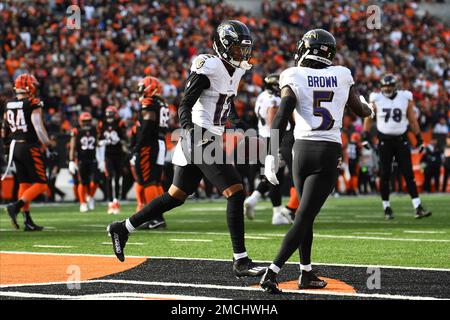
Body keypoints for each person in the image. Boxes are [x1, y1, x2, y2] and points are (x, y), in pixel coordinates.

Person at [107, 20, 265, 278]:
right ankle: (241, 260)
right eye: (237, 48)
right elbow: (184, 104)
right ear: (223, 46)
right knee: (236, 192)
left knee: (175, 196)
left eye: (244, 49)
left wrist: (239, 126)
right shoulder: (209, 65)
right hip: (199, 136)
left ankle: (123, 227)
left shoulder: (237, 70)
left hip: (208, 135)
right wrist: (191, 133)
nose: (242, 54)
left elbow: (228, 104)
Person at [259, 29, 375, 293]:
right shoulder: (342, 74)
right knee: (304, 217)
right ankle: (272, 271)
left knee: (304, 215)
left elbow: (281, 116)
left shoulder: (292, 74)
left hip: (300, 150)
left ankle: (306, 272)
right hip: (327, 150)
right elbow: (360, 110)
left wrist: (270, 153)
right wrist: (369, 107)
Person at [364, 74, 432, 219]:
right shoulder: (376, 98)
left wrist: (419, 138)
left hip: (402, 140)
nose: (387, 88)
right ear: (381, 87)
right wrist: (365, 135)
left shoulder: (405, 97)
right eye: (385, 86)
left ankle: (417, 206)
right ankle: (386, 207)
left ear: (395, 86)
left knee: (408, 174)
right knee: (385, 174)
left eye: (390, 85)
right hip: (384, 141)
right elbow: (369, 118)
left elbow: (412, 120)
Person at [3, 74, 56, 231]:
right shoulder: (32, 103)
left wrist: (6, 147)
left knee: (24, 183)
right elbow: (38, 127)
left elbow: (4, 127)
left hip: (15, 146)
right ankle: (16, 206)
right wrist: (49, 143)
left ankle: (27, 220)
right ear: (29, 87)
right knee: (41, 184)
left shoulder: (8, 103)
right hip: (28, 146)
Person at [244, 74, 292, 225]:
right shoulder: (274, 99)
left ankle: (254, 198)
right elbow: (273, 121)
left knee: (271, 174)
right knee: (275, 177)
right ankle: (277, 213)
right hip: (273, 138)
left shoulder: (261, 96)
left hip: (263, 137)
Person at [129, 76, 169, 228]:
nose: (139, 91)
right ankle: (158, 216)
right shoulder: (162, 103)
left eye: (142, 87)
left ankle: (155, 217)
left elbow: (147, 127)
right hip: (160, 142)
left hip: (150, 144)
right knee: (156, 181)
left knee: (149, 181)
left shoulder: (149, 102)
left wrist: (137, 146)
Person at [68, 112, 102, 213]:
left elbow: (98, 143)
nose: (86, 123)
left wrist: (101, 158)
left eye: (88, 121)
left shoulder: (94, 130)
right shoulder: (76, 131)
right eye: (84, 121)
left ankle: (90, 198)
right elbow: (72, 147)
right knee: (82, 182)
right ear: (80, 121)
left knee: (95, 181)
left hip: (93, 158)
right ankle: (82, 203)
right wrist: (71, 160)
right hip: (81, 159)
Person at [98, 106, 128, 214]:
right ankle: (110, 202)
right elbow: (98, 139)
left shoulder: (120, 123)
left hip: (119, 154)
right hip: (108, 154)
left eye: (111, 114)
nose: (109, 116)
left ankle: (116, 201)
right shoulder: (102, 124)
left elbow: (125, 139)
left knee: (117, 177)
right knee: (109, 177)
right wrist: (102, 142)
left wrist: (120, 140)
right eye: (108, 114)